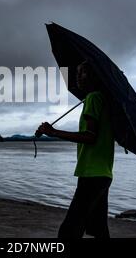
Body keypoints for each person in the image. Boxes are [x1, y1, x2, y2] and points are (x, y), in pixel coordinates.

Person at [35, 60, 115, 238]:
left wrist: (54, 132)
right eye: (77, 73)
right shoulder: (102, 100)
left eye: (83, 73)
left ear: (95, 76)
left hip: (92, 174)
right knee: (98, 228)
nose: (78, 77)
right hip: (103, 174)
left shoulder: (94, 98)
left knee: (69, 230)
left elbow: (90, 136)